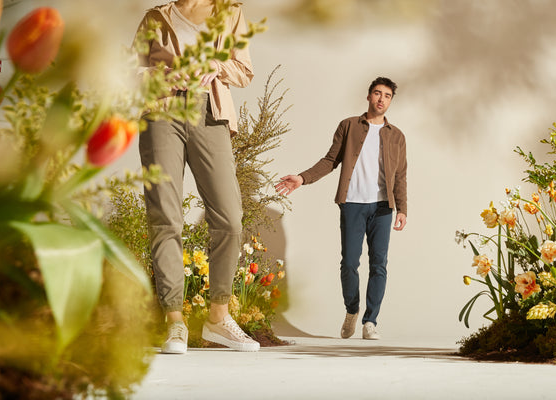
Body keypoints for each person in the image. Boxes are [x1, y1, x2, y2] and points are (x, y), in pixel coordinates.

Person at [134, 0, 259, 353]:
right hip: (162, 112)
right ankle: (174, 322)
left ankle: (218, 319)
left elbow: (244, 70)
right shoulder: (156, 16)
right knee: (165, 216)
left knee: (230, 217)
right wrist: (164, 76)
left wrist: (217, 65)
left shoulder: (230, 12)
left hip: (210, 111)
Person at [275, 77, 407, 340]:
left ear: (391, 101)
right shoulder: (348, 126)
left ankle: (370, 322)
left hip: (383, 207)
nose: (382, 99)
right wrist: (302, 178)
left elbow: (401, 175)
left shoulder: (397, 136)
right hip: (352, 204)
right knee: (349, 263)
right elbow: (330, 160)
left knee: (379, 264)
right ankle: (352, 310)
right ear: (368, 96)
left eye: (387, 96)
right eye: (377, 93)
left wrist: (402, 208)